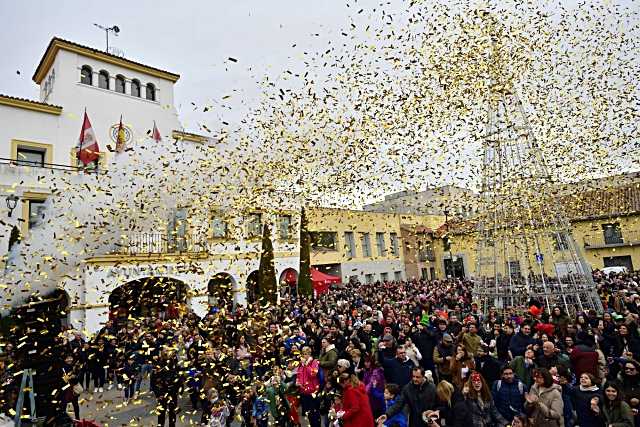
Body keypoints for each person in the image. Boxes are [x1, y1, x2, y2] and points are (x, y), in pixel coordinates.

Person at [151, 349, 182, 427]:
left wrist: (179, 390)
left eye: (168, 354)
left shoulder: (174, 365)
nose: (167, 356)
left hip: (172, 393)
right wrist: (158, 394)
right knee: (161, 413)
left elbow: (179, 378)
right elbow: (153, 383)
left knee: (173, 412)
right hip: (162, 393)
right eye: (165, 354)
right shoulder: (157, 367)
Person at [296, 346, 321, 427]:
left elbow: (313, 374)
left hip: (312, 391)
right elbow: (299, 374)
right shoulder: (301, 364)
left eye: (306, 354)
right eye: (303, 354)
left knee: (314, 413)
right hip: (303, 391)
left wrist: (306, 365)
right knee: (308, 413)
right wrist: (298, 382)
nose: (304, 356)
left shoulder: (314, 362)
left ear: (310, 354)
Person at [60, 354, 81, 420]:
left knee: (75, 404)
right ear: (64, 359)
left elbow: (78, 377)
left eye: (70, 358)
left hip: (73, 388)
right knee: (64, 405)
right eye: (67, 358)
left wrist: (75, 376)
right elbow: (62, 379)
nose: (69, 359)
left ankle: (77, 418)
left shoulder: (74, 366)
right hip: (65, 389)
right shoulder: (62, 368)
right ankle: (63, 419)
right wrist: (69, 377)